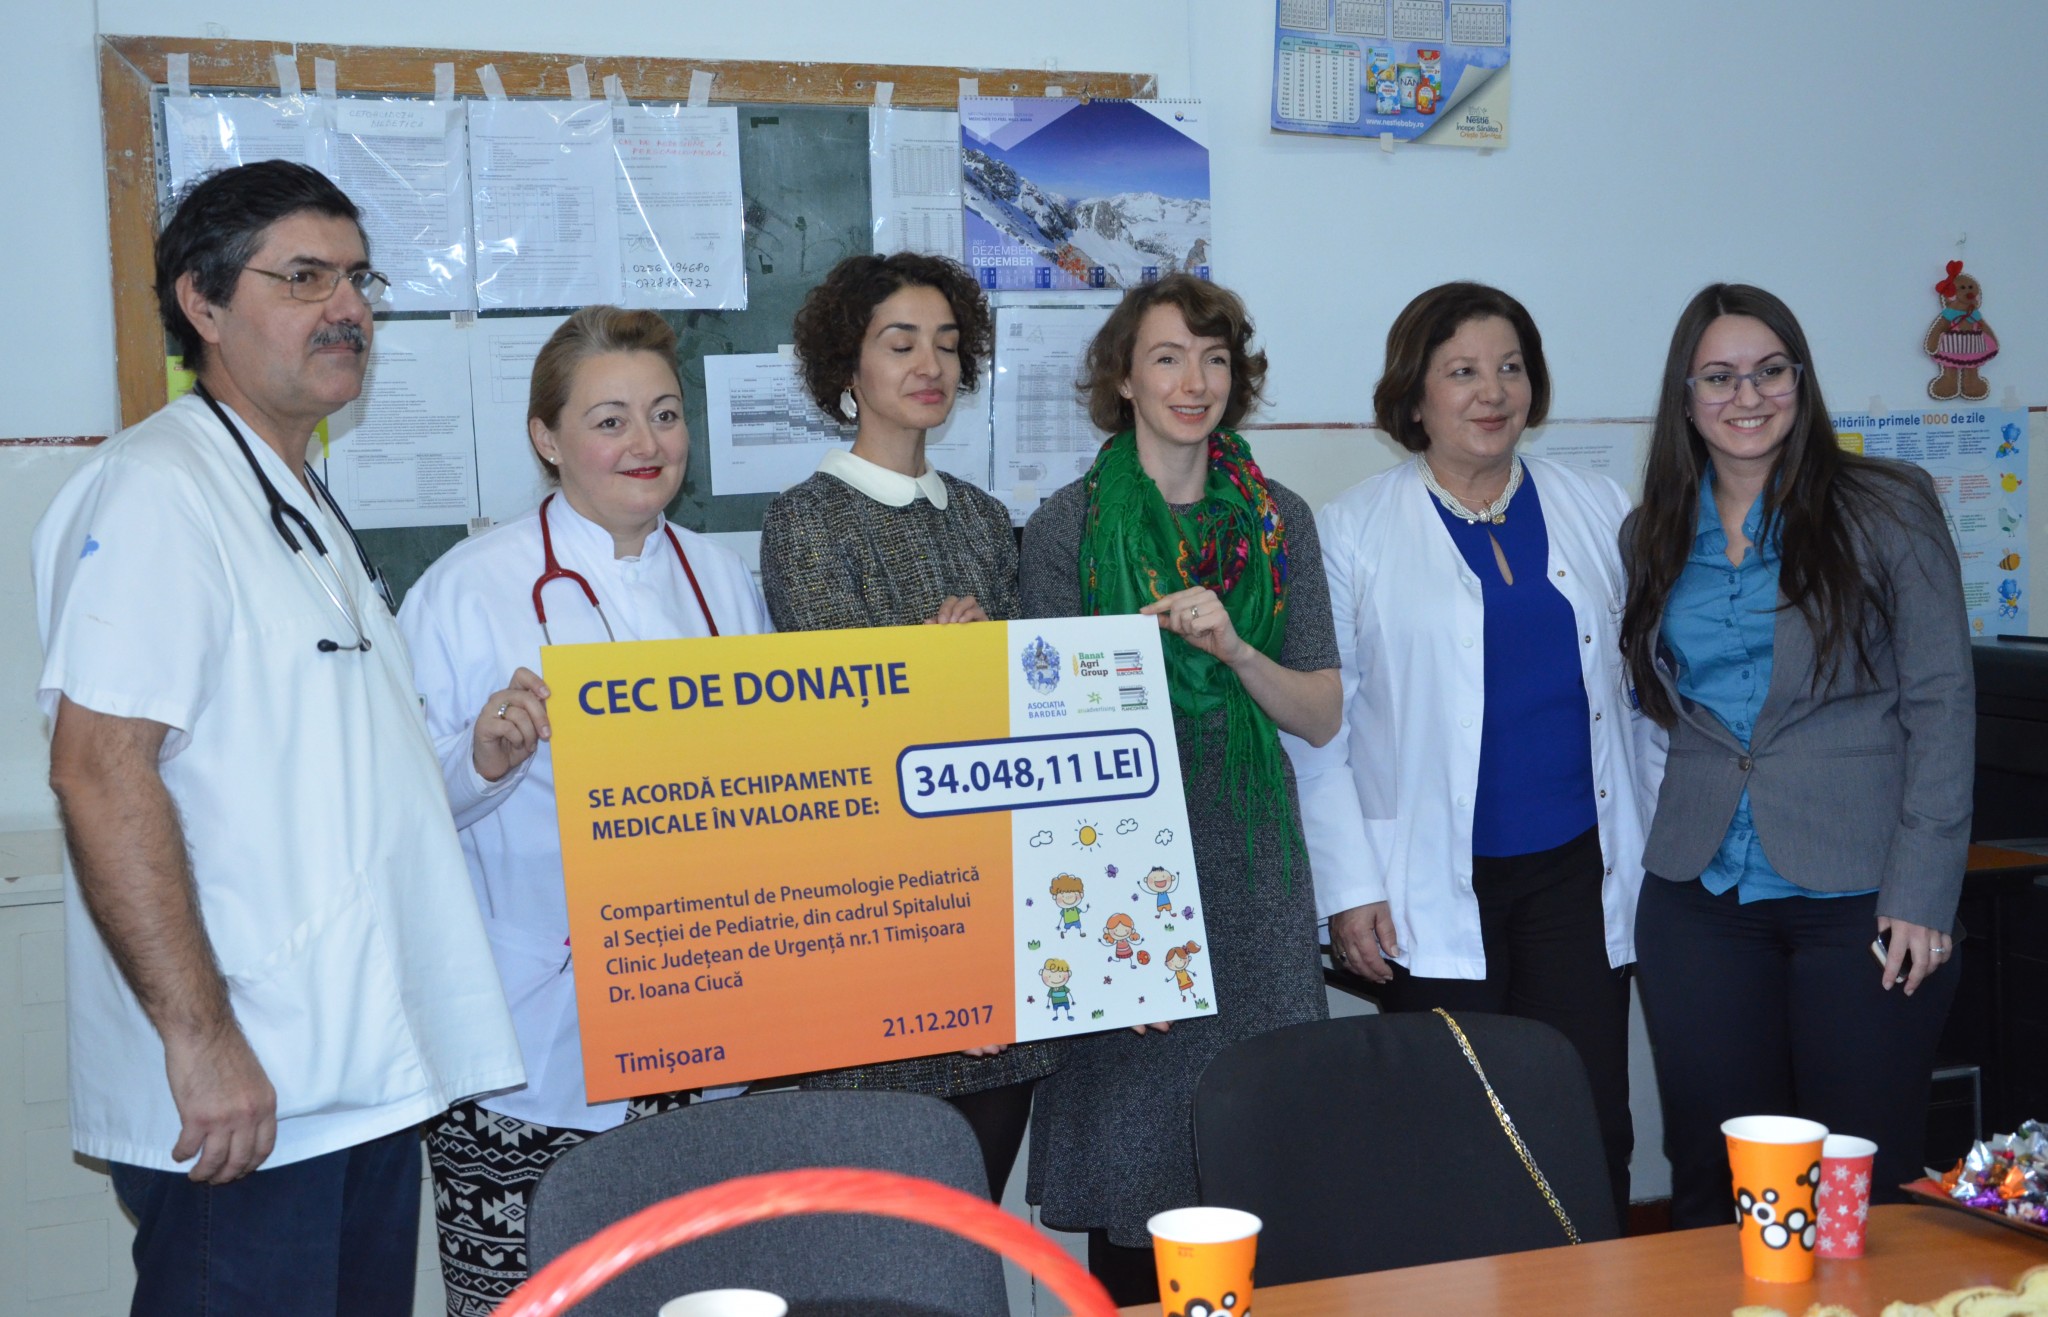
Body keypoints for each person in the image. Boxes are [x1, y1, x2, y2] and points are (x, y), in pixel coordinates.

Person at [31, 160, 524, 1317]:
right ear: (202, 304)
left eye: (358, 279)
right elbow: (98, 771)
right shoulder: (157, 492)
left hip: (353, 1076)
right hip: (244, 1098)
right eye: (303, 278)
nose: (346, 309)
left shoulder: (297, 497)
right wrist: (202, 1041)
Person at [397, 306, 770, 1312]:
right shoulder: (467, 590)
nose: (647, 443)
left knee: (700, 1298)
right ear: (547, 438)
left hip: (707, 1033)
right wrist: (483, 758)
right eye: (610, 420)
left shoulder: (721, 581)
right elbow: (399, 810)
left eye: (664, 414)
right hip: (534, 1052)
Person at [1289, 281, 1658, 1224]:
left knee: (1588, 1124)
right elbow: (1322, 732)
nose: (1492, 392)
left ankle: (1595, 1286)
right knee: (1451, 1134)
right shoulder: (1352, 529)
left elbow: (1641, 699)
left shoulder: (1597, 505)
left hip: (1577, 873)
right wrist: (1348, 887)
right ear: (1415, 396)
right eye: (1462, 371)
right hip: (1429, 884)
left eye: (1510, 368)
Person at [1619, 283, 1971, 1228]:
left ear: (1801, 381)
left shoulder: (1887, 505)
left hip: (1863, 895)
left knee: (1859, 1175)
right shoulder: (1651, 530)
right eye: (1719, 377)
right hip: (1699, 894)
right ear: (1686, 396)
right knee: (1714, 1168)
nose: (1748, 395)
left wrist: (1925, 892)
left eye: (1770, 370)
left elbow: (1942, 700)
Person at [1018, 273, 1340, 1306]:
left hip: (1250, 860)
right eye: (1166, 358)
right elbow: (1050, 746)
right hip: (1122, 875)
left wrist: (1235, 648)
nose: (1193, 381)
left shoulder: (1278, 523)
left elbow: (1318, 712)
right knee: (1138, 1167)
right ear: (1123, 379)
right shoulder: (1066, 528)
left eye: (1213, 359)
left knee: (1262, 1164)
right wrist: (1112, 944)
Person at [758, 252, 1062, 1201]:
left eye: (947, 343)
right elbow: (849, 741)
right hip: (886, 934)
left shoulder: (982, 516)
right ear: (845, 367)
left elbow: (1023, 720)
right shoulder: (805, 521)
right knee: (884, 1249)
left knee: (973, 1236)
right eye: (901, 344)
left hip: (999, 918)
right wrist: (934, 675)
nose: (931, 364)